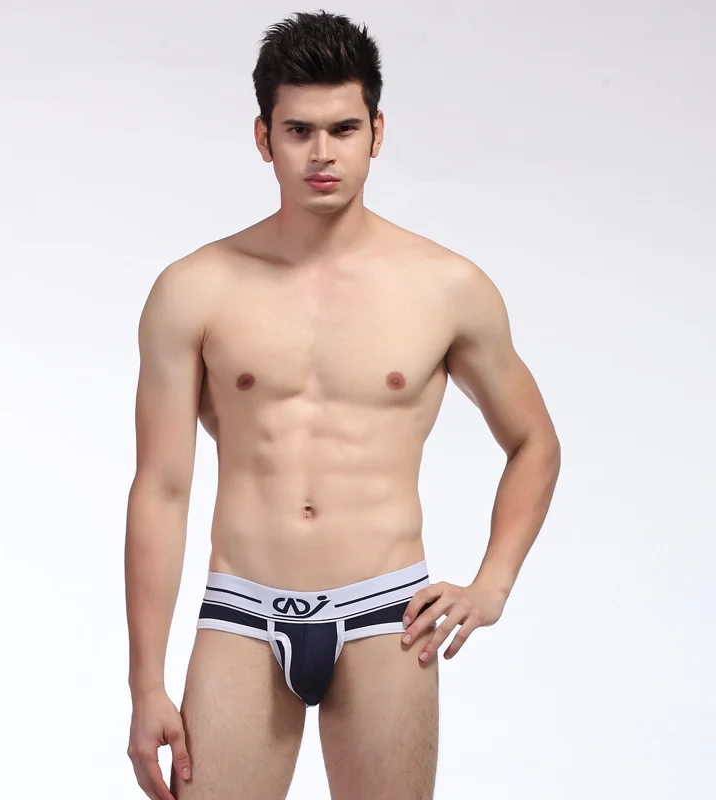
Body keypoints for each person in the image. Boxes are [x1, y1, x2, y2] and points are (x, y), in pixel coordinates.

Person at [125, 9, 561, 800]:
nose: (322, 153)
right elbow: (161, 487)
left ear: (376, 132)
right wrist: (146, 684)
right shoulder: (194, 290)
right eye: (298, 131)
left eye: (343, 129)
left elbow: (533, 441)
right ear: (264, 138)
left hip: (388, 616)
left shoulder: (446, 288)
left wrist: (492, 583)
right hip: (242, 614)